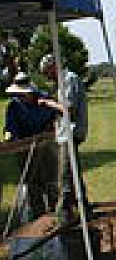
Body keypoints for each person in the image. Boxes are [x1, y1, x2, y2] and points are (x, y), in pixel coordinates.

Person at [39, 53, 90, 223]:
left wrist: (48, 103)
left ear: (53, 66)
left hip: (71, 133)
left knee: (65, 177)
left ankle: (63, 217)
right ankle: (84, 211)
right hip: (66, 133)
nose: (47, 76)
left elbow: (69, 109)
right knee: (73, 175)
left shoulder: (69, 79)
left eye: (47, 72)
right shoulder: (64, 81)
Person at [4, 72, 59, 221]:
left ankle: (57, 215)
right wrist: (9, 137)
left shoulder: (44, 99)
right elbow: (10, 128)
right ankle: (39, 220)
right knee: (32, 186)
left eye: (23, 94)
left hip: (46, 146)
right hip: (24, 149)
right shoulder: (13, 107)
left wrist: (50, 129)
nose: (20, 97)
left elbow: (56, 117)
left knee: (51, 182)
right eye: (17, 94)